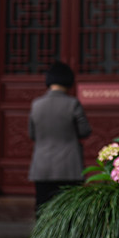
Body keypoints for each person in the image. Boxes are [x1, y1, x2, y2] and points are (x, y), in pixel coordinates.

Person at [28, 61, 92, 213]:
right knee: (68, 211)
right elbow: (84, 131)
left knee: (43, 208)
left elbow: (32, 134)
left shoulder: (36, 104)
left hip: (42, 166)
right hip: (69, 167)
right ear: (69, 80)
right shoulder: (73, 104)